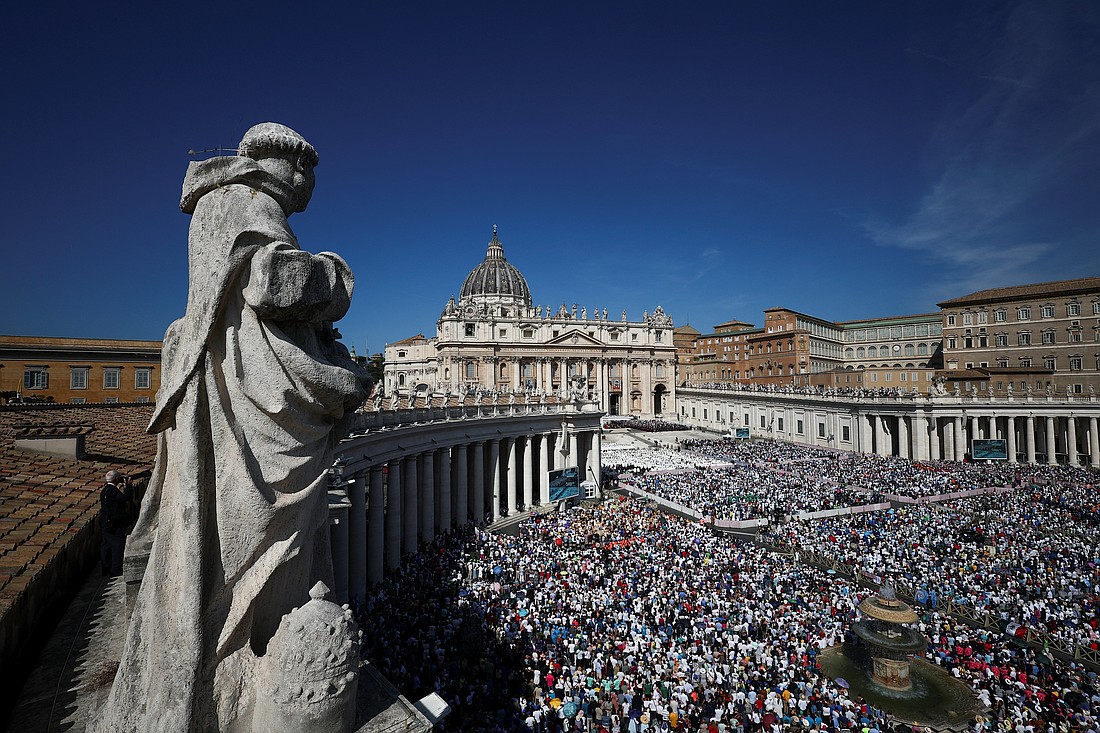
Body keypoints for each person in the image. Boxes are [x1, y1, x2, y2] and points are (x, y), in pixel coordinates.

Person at [91, 123, 368, 732]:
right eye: (309, 171)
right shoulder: (245, 204)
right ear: (279, 161)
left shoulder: (231, 206)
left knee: (257, 539)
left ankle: (251, 637)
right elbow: (273, 284)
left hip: (249, 392)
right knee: (252, 534)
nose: (312, 186)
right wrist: (336, 276)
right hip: (247, 402)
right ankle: (241, 650)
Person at [99, 470, 131, 576]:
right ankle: (116, 569)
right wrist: (128, 487)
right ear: (117, 479)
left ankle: (106, 568)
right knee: (117, 545)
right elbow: (126, 498)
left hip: (104, 522)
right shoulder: (113, 491)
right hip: (113, 524)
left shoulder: (104, 491)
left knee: (106, 546)